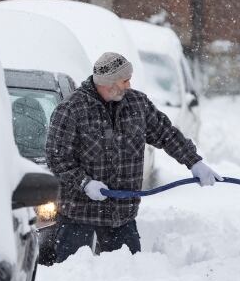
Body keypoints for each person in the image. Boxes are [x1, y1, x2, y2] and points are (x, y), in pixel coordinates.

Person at [45, 52, 221, 262]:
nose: (129, 86)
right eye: (125, 80)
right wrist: (84, 183)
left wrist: (194, 162)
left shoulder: (137, 104)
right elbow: (57, 158)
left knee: (130, 279)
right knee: (74, 279)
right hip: (79, 217)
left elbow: (166, 134)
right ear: (108, 83)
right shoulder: (71, 110)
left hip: (122, 216)